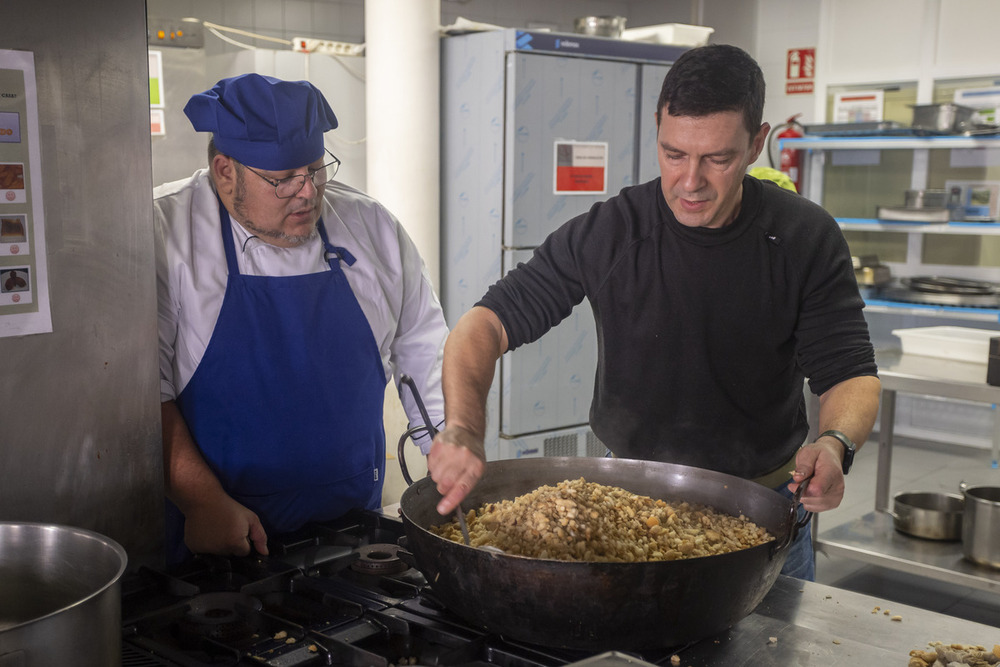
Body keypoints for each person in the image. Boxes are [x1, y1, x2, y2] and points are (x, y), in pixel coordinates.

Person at [426, 44, 881, 580]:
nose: (691, 182)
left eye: (718, 158)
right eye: (674, 154)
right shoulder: (612, 231)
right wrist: (462, 428)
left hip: (764, 509)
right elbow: (484, 325)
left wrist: (835, 443)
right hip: (628, 509)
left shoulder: (804, 236)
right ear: (657, 131)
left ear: (757, 143)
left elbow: (849, 372)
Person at [154, 73, 448, 563]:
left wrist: (445, 445)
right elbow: (144, 399)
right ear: (225, 170)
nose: (308, 193)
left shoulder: (370, 226)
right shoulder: (167, 235)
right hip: (221, 538)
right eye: (283, 179)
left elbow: (422, 345)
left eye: (316, 169)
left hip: (354, 530)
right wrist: (201, 500)